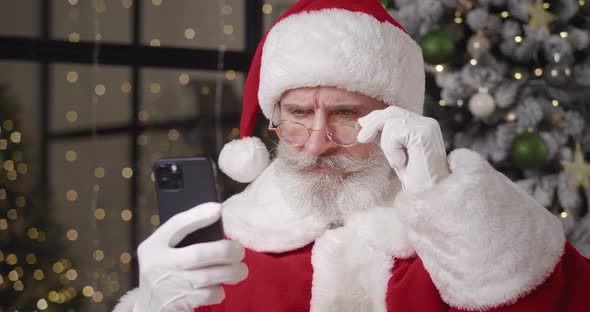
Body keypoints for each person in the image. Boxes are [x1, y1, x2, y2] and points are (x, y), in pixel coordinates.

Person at [114, 0, 590, 311]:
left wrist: (446, 202)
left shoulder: (463, 238)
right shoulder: (223, 249)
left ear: (397, 119)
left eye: (346, 115)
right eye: (298, 114)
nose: (317, 142)